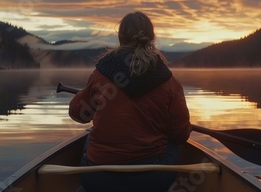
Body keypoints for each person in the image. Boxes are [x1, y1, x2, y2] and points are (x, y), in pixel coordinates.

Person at [69, 11, 192, 192]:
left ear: (121, 38)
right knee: (173, 143)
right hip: (152, 180)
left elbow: (78, 114)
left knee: (90, 135)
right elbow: (181, 135)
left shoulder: (100, 75)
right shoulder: (169, 82)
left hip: (98, 179)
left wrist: (88, 95)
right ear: (151, 38)